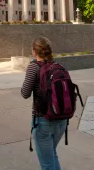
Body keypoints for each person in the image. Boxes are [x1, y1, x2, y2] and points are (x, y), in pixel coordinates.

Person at [21, 37, 68, 170]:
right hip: (61, 120)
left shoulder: (33, 67)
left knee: (47, 164)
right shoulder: (57, 65)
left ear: (35, 51)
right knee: (52, 156)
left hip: (43, 121)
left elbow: (25, 93)